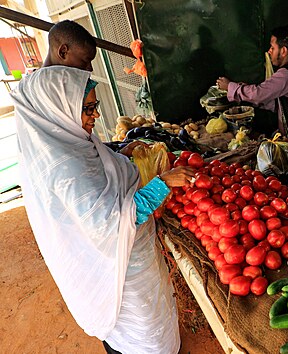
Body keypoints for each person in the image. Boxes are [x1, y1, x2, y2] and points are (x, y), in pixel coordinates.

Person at [11, 66, 195, 354]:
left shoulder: (71, 141)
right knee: (141, 333)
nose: (95, 114)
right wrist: (163, 183)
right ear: (60, 107)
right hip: (118, 270)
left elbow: (99, 175)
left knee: (152, 319)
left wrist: (120, 155)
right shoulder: (64, 166)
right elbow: (108, 224)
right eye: (88, 108)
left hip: (132, 260)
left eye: (94, 106)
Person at [216, 25, 288, 149]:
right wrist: (247, 94)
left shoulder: (285, 74)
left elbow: (258, 94)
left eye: (272, 47)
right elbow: (279, 103)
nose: (269, 51)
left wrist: (231, 87)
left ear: (283, 51)